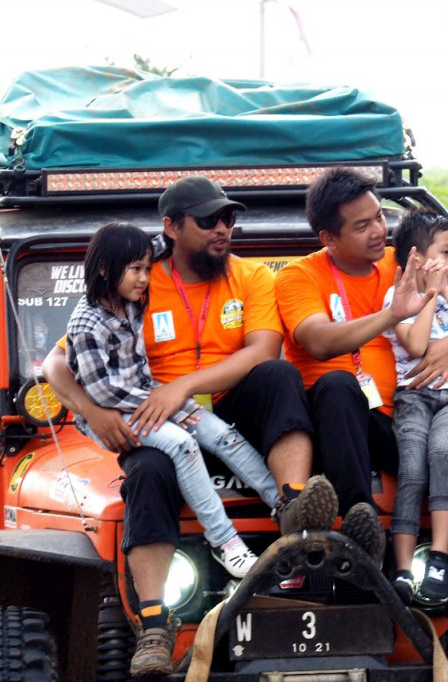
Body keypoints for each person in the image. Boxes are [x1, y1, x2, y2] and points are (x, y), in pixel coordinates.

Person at [42, 176, 336, 677]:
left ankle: (292, 507)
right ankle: (156, 624)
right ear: (171, 228)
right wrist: (95, 414)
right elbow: (54, 364)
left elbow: (263, 349)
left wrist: (181, 388)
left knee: (280, 373)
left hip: (222, 404)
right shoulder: (137, 276)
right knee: (150, 471)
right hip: (145, 412)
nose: (223, 229)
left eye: (229, 219)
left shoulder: (250, 275)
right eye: (209, 220)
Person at [274, 167, 448, 672]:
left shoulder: (404, 260)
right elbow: (318, 341)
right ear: (328, 237)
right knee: (339, 384)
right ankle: (361, 537)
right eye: (362, 225)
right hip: (329, 426)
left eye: (379, 219)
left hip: (401, 413)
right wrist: (393, 316)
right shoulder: (299, 276)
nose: (378, 232)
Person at [65, 221, 278, 578]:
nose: (145, 278)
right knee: (183, 445)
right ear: (104, 268)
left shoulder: (127, 300)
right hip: (116, 413)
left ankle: (285, 504)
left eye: (147, 269)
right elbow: (103, 391)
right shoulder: (86, 324)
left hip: (152, 395)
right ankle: (226, 542)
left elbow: (163, 245)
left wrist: (189, 234)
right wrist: (169, 405)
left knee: (222, 434)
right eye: (135, 270)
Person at [383, 210, 448, 605]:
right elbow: (414, 345)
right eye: (446, 252)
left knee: (444, 453)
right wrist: (427, 295)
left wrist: (444, 292)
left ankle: (441, 556)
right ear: (417, 258)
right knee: (411, 468)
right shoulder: (397, 300)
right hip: (412, 397)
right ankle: (404, 569)